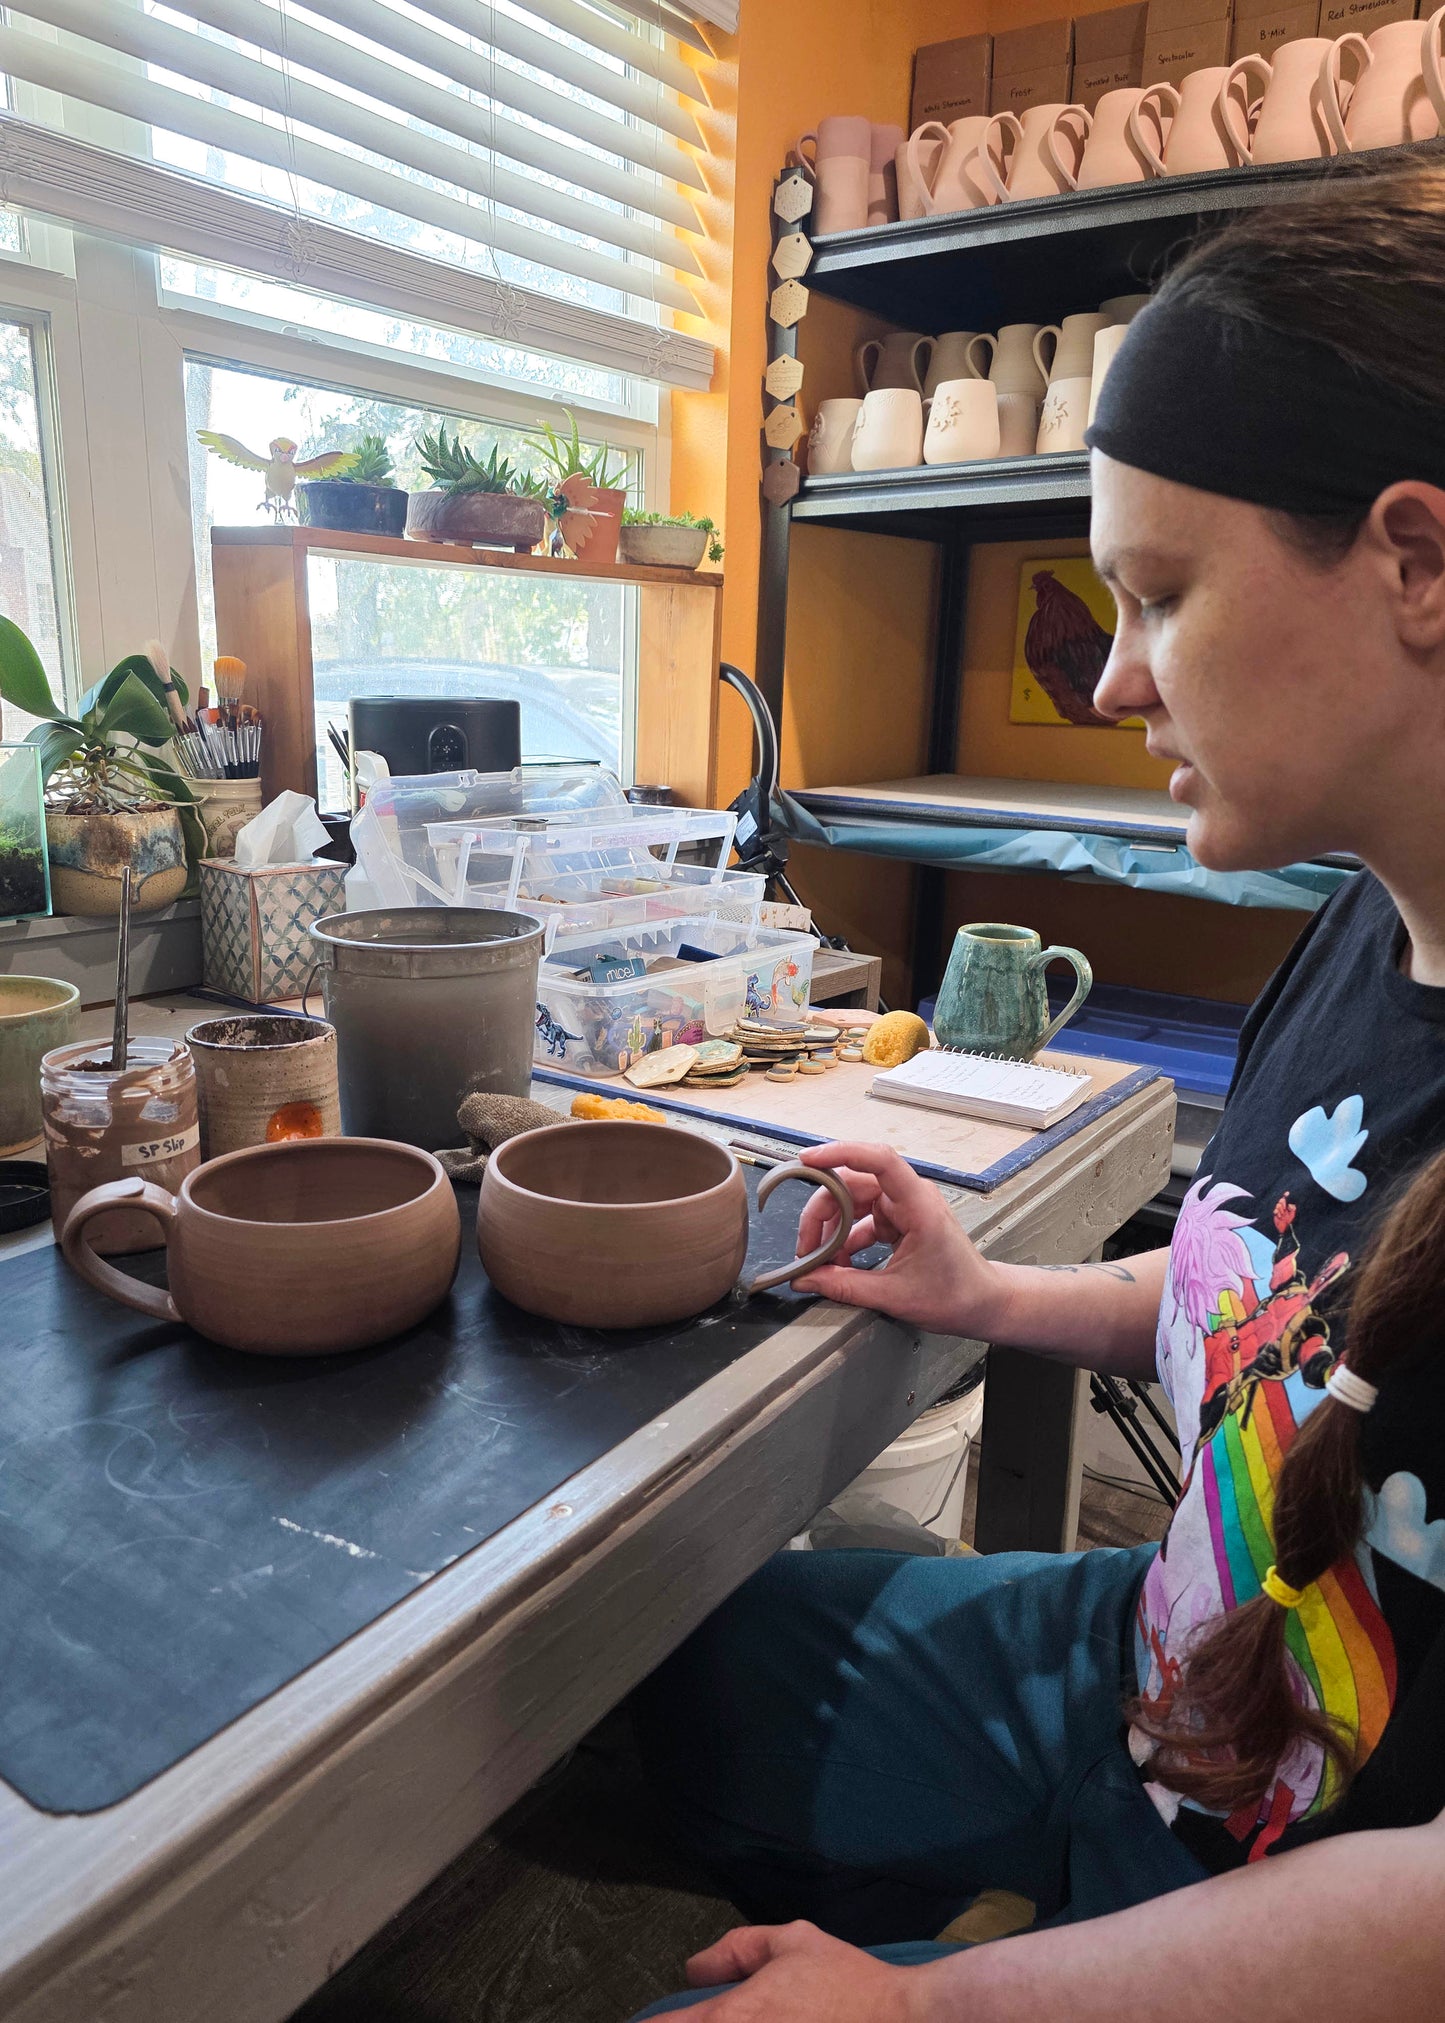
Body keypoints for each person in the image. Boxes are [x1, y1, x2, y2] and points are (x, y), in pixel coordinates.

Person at [627, 163, 1445, 2019]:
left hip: (1324, 1908)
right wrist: (988, 1296)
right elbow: (1289, 1304)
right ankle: (1025, 1864)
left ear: (1412, 560)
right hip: (1158, 1675)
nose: (1115, 684)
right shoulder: (1355, 926)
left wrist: (932, 2004)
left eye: (1157, 597)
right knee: (650, 1677)